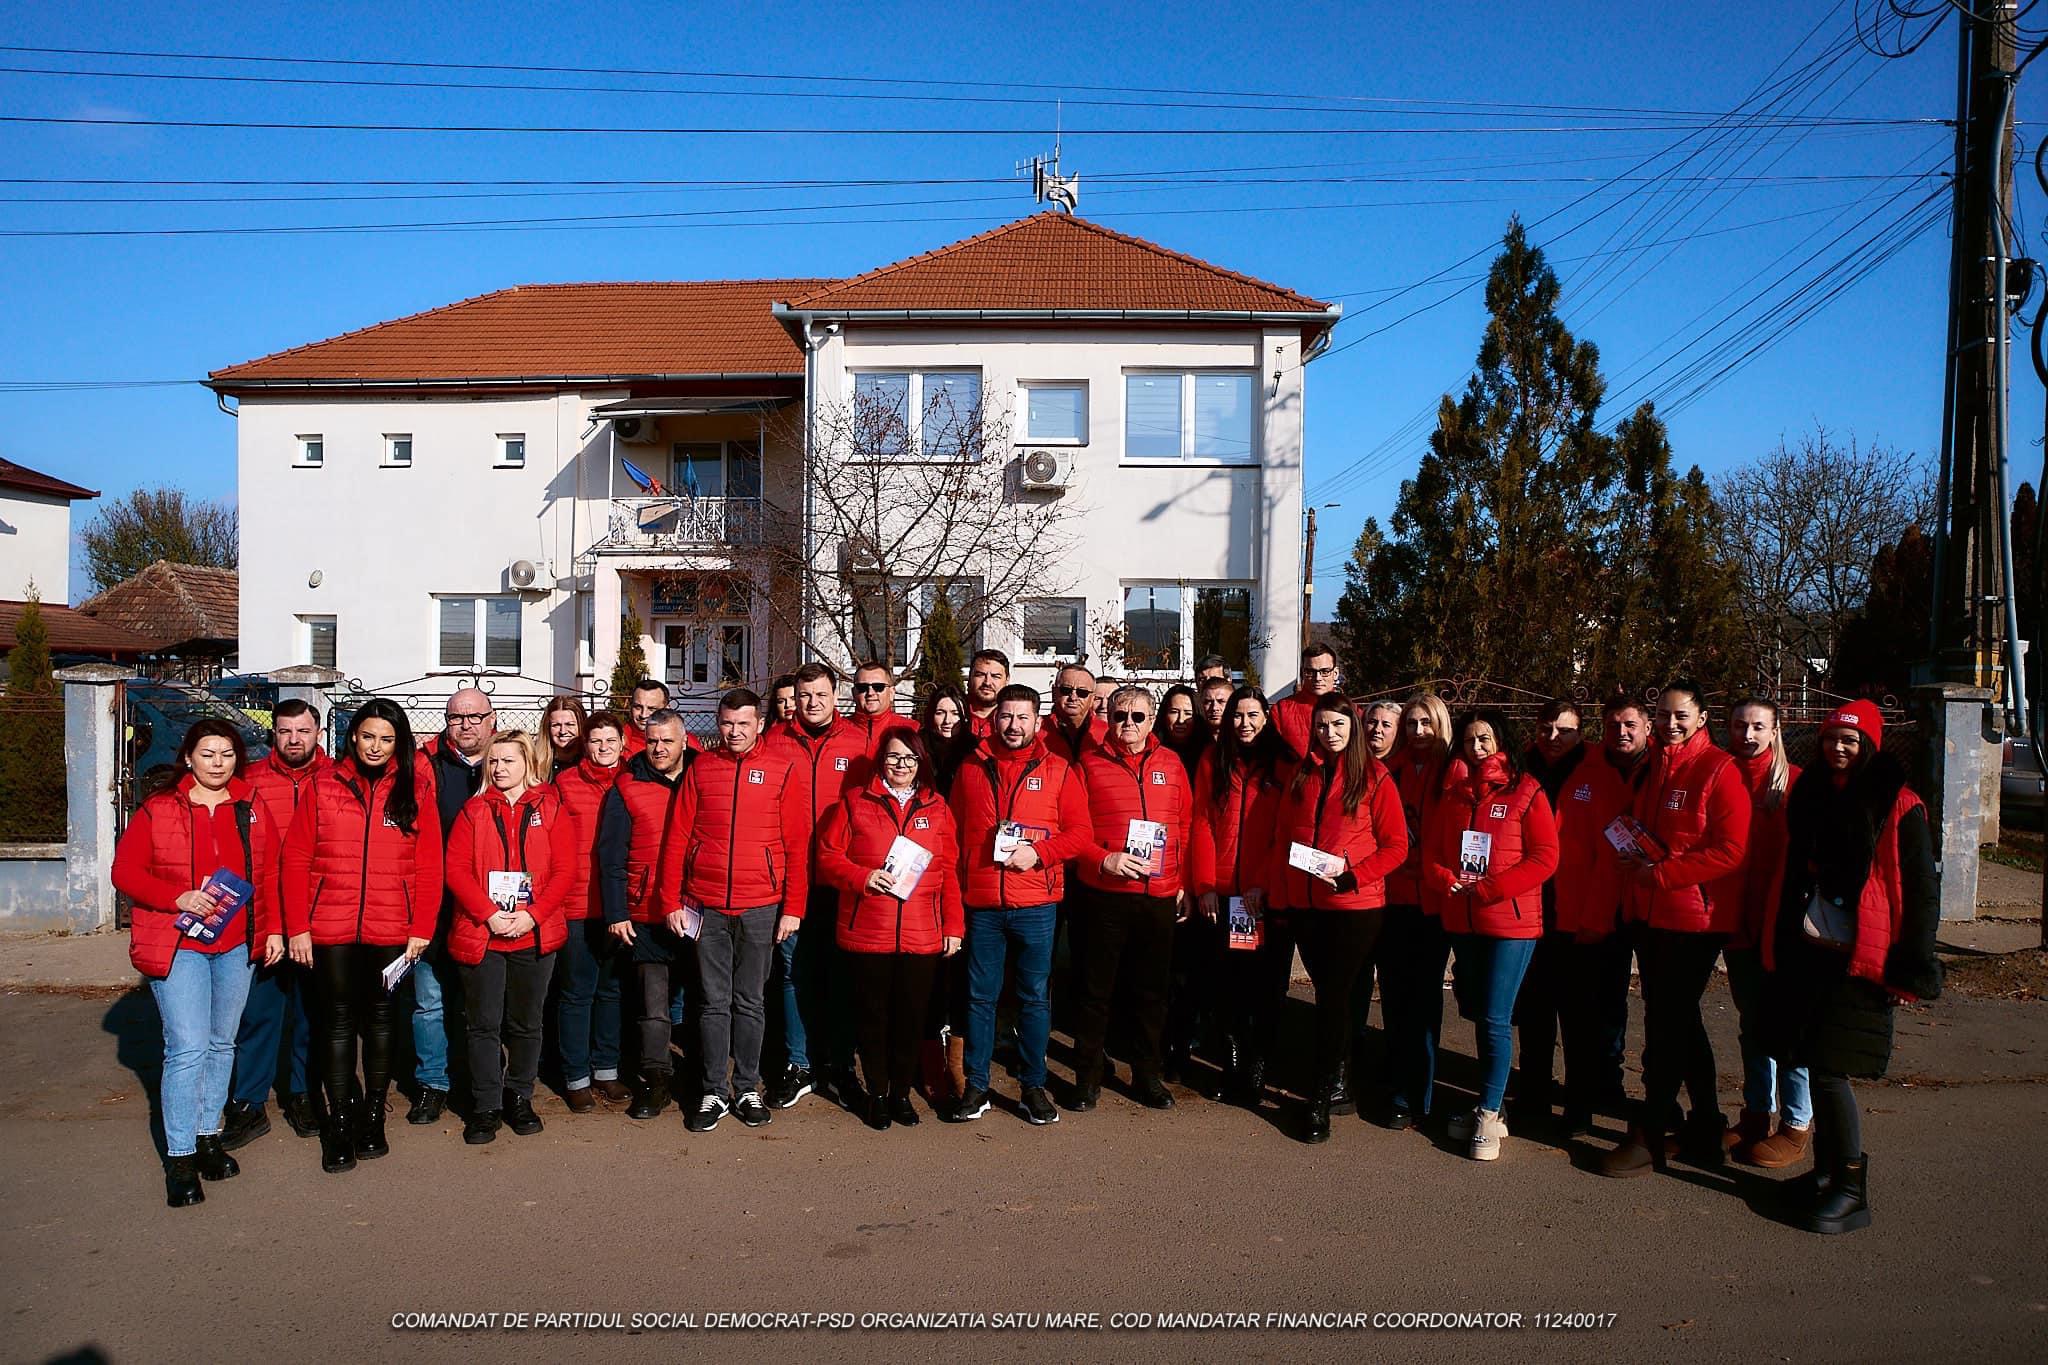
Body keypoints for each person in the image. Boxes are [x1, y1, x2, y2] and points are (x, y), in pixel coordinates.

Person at [1766, 701, 1940, 1235]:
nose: (1838, 749)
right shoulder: (1814, 793)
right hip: (1812, 950)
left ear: (1869, 745)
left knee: (1831, 1070)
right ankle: (1825, 1174)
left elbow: (1919, 893)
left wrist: (1908, 968)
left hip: (1863, 956)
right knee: (1813, 1060)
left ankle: (1849, 1187)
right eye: (1830, 739)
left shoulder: (1900, 804)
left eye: (1850, 740)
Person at [116, 719, 282, 1207]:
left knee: (221, 1043)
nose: (217, 763)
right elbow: (124, 871)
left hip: (234, 944)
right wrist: (177, 897)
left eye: (227, 754)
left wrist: (271, 929)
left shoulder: (251, 807)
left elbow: (267, 871)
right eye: (207, 753)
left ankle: (209, 1135)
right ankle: (181, 1155)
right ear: (188, 757)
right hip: (178, 944)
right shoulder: (159, 808)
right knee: (187, 1048)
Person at [281, 699, 441, 1174]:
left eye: (387, 739)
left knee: (381, 1021)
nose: (376, 747)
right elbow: (295, 859)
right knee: (335, 1023)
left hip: (393, 929)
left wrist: (421, 929)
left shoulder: (416, 787)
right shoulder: (323, 785)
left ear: (399, 744)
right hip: (330, 928)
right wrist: (297, 927)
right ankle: (339, 1122)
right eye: (368, 736)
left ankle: (373, 1113)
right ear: (353, 737)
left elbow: (430, 864)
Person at [1600, 679, 1753, 1177]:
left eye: (1680, 715)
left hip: (1694, 919)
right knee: (1680, 1022)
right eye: (1663, 715)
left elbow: (1731, 850)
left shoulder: (1719, 770)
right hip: (1653, 913)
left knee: (1667, 1025)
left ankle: (1647, 1134)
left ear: (1702, 718)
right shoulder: (1656, 768)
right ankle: (1706, 1126)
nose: (1669, 724)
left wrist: (1660, 875)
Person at [656, 688, 811, 1133]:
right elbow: (678, 836)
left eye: (744, 723)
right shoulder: (703, 768)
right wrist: (670, 900)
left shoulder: (782, 770)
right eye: (727, 723)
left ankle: (746, 1086)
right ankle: (712, 1090)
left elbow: (796, 845)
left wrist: (793, 907)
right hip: (707, 905)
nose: (735, 731)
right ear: (718, 724)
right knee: (711, 1002)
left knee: (750, 1001)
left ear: (759, 724)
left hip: (761, 905)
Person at [947, 683, 1094, 1125]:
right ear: (994, 719)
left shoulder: (1059, 770)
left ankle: (1033, 1085)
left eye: (1023, 717)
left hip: (1036, 903)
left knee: (1033, 998)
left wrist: (1040, 853)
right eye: (1006, 717)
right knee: (979, 998)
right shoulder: (970, 768)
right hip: (983, 902)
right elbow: (952, 838)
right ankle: (976, 1085)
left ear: (1037, 720)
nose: (1013, 725)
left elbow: (1080, 834)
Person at [1267, 694, 1408, 1143]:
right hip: (1308, 908)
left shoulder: (1375, 778)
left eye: (1339, 725)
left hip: (1354, 908)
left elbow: (1396, 846)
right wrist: (1285, 899)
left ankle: (1321, 1098)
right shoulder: (1302, 774)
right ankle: (1339, 1076)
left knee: (1332, 998)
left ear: (1354, 728)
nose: (1330, 733)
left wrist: (1354, 877)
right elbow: (1285, 841)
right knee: (1334, 999)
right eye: (1323, 726)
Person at [1423, 710, 1559, 1161]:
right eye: (1469, 740)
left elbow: (1545, 857)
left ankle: (1489, 1112)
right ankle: (1488, 1101)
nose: (1477, 748)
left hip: (1510, 922)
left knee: (1498, 1018)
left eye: (1484, 739)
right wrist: (1445, 878)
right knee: (1482, 1016)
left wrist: (1493, 888)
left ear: (1500, 740)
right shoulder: (1455, 794)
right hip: (1465, 919)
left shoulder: (1526, 789)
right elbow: (1435, 851)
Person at [816, 730, 965, 1129]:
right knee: (872, 1020)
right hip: (868, 930)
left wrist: (953, 924)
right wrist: (862, 877)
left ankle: (901, 1094)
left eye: (909, 759)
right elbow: (828, 857)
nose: (901, 766)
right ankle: (877, 1095)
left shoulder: (938, 809)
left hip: (921, 934)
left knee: (910, 1021)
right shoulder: (854, 803)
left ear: (921, 764)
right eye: (894, 758)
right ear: (882, 760)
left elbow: (949, 871)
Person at [1069, 685, 1195, 1112]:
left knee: (1150, 993)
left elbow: (1186, 824)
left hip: (1158, 896)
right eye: (1120, 715)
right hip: (1106, 896)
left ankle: (1147, 1075)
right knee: (1095, 992)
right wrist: (1105, 861)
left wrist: (1183, 883)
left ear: (1151, 717)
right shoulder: (1088, 765)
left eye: (1138, 717)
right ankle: (1087, 1078)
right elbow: (1073, 832)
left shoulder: (1172, 765)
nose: (1128, 724)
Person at [445, 732, 575, 1144]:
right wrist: (489, 915)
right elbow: (456, 870)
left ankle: (519, 1095)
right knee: (482, 1024)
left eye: (508, 761)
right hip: (484, 934)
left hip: (532, 934)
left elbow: (564, 871)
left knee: (526, 1024)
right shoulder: (473, 811)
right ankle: (485, 1105)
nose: (500, 769)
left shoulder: (551, 808)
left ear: (528, 765)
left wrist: (532, 917)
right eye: (494, 762)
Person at [220, 700, 327, 1150]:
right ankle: (249, 1102)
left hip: (318, 918)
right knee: (259, 1014)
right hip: (263, 916)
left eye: (303, 730)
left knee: (311, 1015)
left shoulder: (335, 779)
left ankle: (302, 1093)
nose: (295, 739)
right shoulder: (251, 783)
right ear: (274, 734)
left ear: (318, 732)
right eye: (286, 731)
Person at [766, 662, 870, 1111]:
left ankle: (841, 1065)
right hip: (791, 880)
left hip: (841, 878)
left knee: (841, 975)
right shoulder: (774, 742)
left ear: (836, 695)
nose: (812, 703)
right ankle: (798, 1064)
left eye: (821, 694)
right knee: (793, 974)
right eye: (804, 695)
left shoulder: (858, 743)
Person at [1549, 694, 1651, 1133]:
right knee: (1584, 1009)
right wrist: (1589, 917)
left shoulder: (1662, 769)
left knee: (1626, 1010)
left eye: (1630, 724)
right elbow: (1578, 852)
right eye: (1613, 725)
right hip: (1594, 912)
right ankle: (1582, 1098)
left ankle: (1615, 1089)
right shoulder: (1587, 772)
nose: (1621, 733)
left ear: (1647, 727)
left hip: (1651, 908)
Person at [1189, 686, 1294, 1107]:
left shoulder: (1283, 764)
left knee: (1263, 990)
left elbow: (1286, 833)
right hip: (1225, 897)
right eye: (1237, 715)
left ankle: (1257, 1069)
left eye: (1253, 715)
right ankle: (1231, 1066)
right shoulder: (1214, 760)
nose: (1244, 724)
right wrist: (1206, 886)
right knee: (1227, 987)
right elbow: (1201, 824)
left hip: (1262, 898)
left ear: (1267, 718)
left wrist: (1261, 884)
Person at [1723, 697, 1810, 1167]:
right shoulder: (1721, 778)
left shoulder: (1795, 785)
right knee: (1752, 1024)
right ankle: (1758, 1112)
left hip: (1786, 927)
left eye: (1758, 726)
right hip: (1739, 923)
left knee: (1789, 1029)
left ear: (1775, 731)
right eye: (1740, 726)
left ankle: (1797, 1123)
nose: (1748, 735)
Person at [596, 710, 694, 1120]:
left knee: (706, 1001)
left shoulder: (704, 777)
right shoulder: (627, 785)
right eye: (652, 741)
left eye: (667, 741)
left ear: (684, 742)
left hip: (697, 907)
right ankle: (655, 1080)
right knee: (653, 1006)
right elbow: (611, 854)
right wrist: (617, 912)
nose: (659, 749)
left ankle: (705, 1080)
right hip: (646, 910)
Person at [407, 686, 496, 1127]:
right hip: (436, 903)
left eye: (474, 717)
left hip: (491, 908)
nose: (465, 725)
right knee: (430, 1000)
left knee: (484, 1003)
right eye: (457, 717)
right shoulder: (427, 766)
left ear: (491, 719)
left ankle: (482, 1081)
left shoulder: (508, 763)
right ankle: (433, 1083)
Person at [1509, 698, 1586, 1132]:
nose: (1553, 738)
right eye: (1546, 729)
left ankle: (1578, 1104)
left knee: (1577, 1016)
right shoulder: (1521, 768)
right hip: (1530, 907)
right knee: (1534, 1010)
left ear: (1580, 733)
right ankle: (1533, 1093)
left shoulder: (1595, 770)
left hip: (1575, 908)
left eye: (1564, 730)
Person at [1381, 690, 1455, 1130]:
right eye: (1411, 724)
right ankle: (1396, 1084)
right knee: (1394, 995)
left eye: (1426, 723)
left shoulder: (1454, 772)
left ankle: (1420, 1092)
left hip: (1434, 899)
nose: (1418, 732)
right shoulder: (1392, 771)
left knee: (1425, 998)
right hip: (1393, 896)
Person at [552, 711, 628, 1112]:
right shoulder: (565, 784)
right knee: (577, 992)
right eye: (595, 741)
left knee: (611, 991)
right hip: (577, 903)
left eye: (609, 741)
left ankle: (607, 1070)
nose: (602, 748)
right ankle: (576, 1076)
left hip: (618, 905)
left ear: (622, 744)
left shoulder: (632, 781)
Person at [1270, 642, 1342, 758]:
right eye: (1310, 672)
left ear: (1335, 673)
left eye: (1324, 672)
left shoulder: (1350, 711)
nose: (1318, 678)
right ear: (1302, 673)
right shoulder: (1281, 711)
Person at [918, 682, 975, 799]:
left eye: (955, 713)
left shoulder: (974, 748)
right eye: (940, 713)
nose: (947, 721)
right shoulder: (918, 745)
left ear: (964, 716)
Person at [848, 659, 916, 752]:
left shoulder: (912, 730)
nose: (870, 693)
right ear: (853, 693)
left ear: (891, 693)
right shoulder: (836, 731)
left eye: (878, 687)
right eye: (862, 687)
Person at [1041, 662, 1100, 766]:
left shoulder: (1106, 733)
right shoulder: (1036, 730)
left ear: (1092, 699)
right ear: (1054, 693)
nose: (1073, 697)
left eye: (1082, 693)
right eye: (1066, 690)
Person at [1158, 683, 1207, 779]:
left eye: (1188, 713)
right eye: (1174, 712)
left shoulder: (1208, 755)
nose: (1180, 720)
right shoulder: (1151, 751)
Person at [622, 678, 671, 757]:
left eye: (652, 709)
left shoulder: (685, 743)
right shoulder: (615, 742)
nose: (643, 715)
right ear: (630, 707)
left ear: (667, 709)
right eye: (638, 707)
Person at [965, 650, 1010, 736]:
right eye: (980, 675)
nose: (987, 682)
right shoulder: (954, 714)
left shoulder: (1016, 721)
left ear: (1007, 680)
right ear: (970, 677)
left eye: (995, 676)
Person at [542, 695, 589, 774]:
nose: (563, 731)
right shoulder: (535, 766)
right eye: (556, 725)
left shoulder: (592, 764)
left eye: (570, 724)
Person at [1199, 675, 1236, 746]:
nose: (1214, 708)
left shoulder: (1243, 741)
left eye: (1221, 701)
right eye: (1208, 702)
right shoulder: (1193, 741)